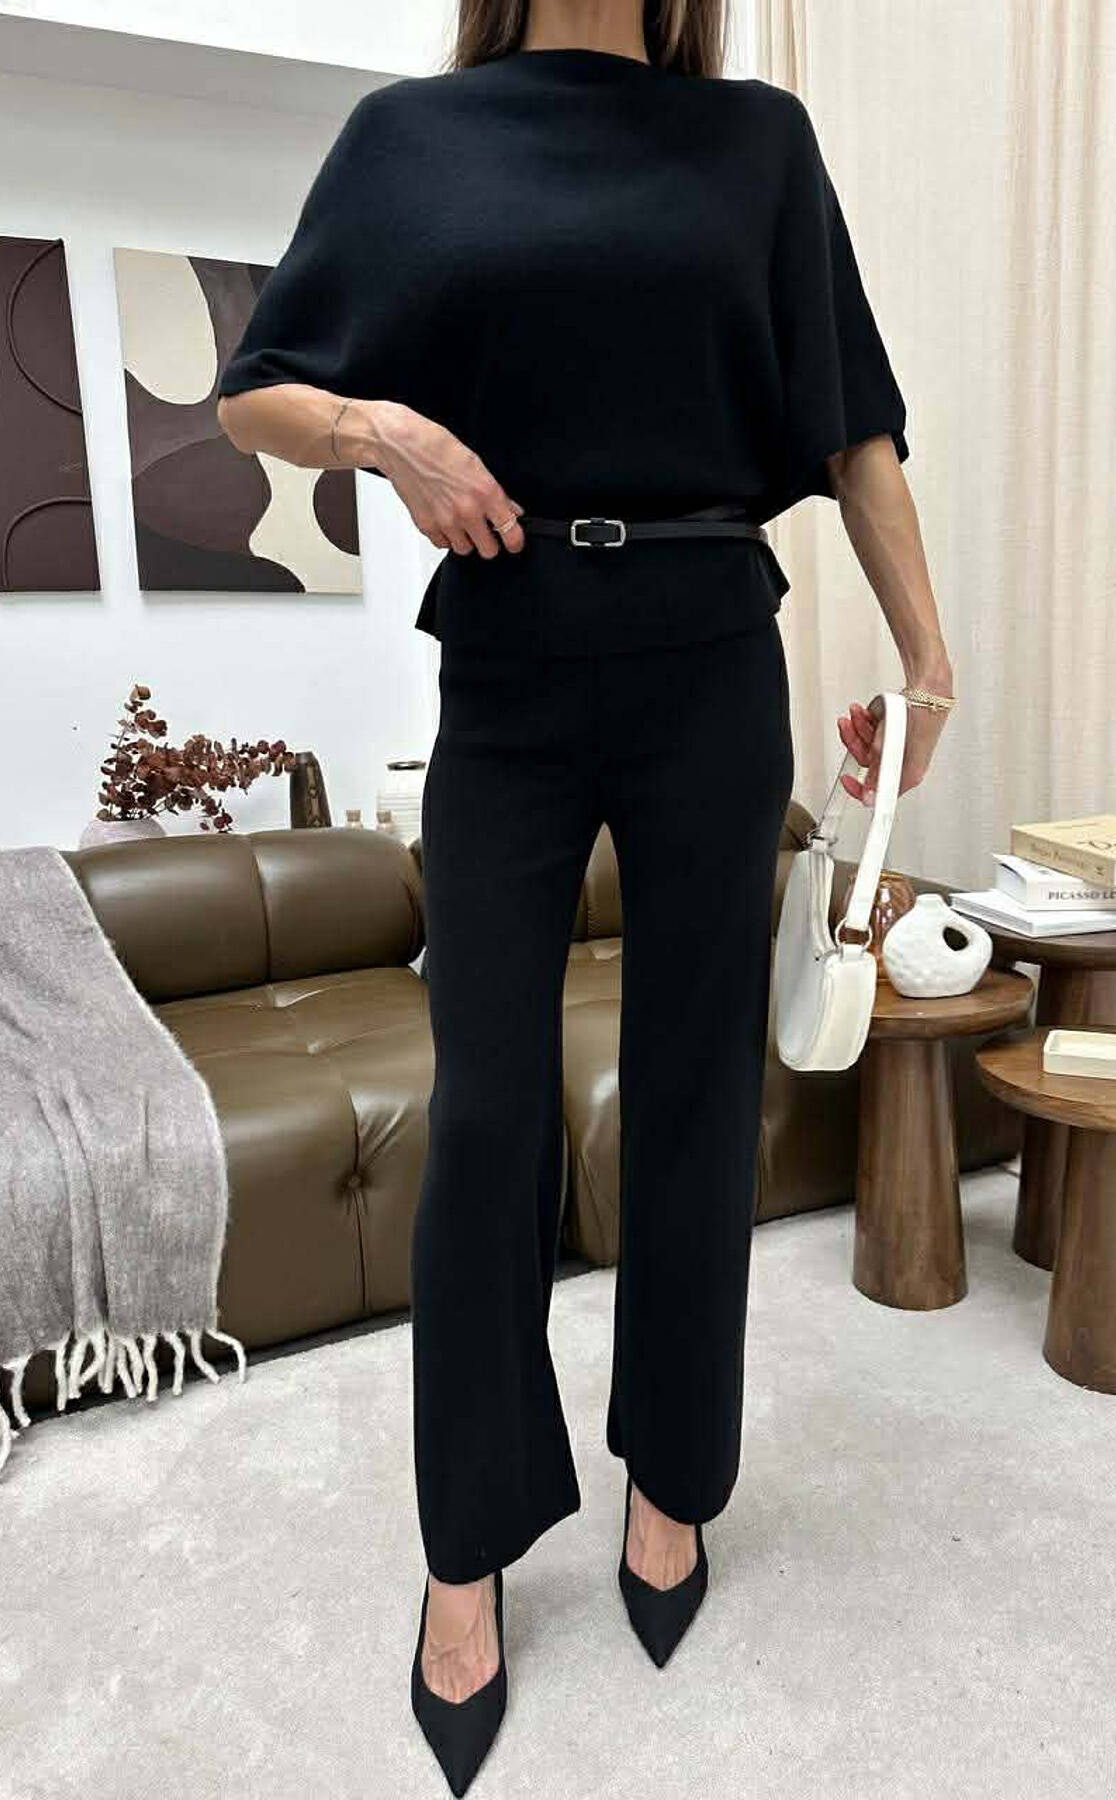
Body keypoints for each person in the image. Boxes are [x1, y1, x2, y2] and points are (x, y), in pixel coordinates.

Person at [216, 2, 955, 1792]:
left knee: (699, 1095)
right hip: (511, 659)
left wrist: (928, 662)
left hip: (712, 650)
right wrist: (387, 434)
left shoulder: (756, 144)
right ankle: (464, 1548)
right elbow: (257, 390)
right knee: (484, 1114)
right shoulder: (414, 137)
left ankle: (671, 1482)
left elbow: (852, 426)